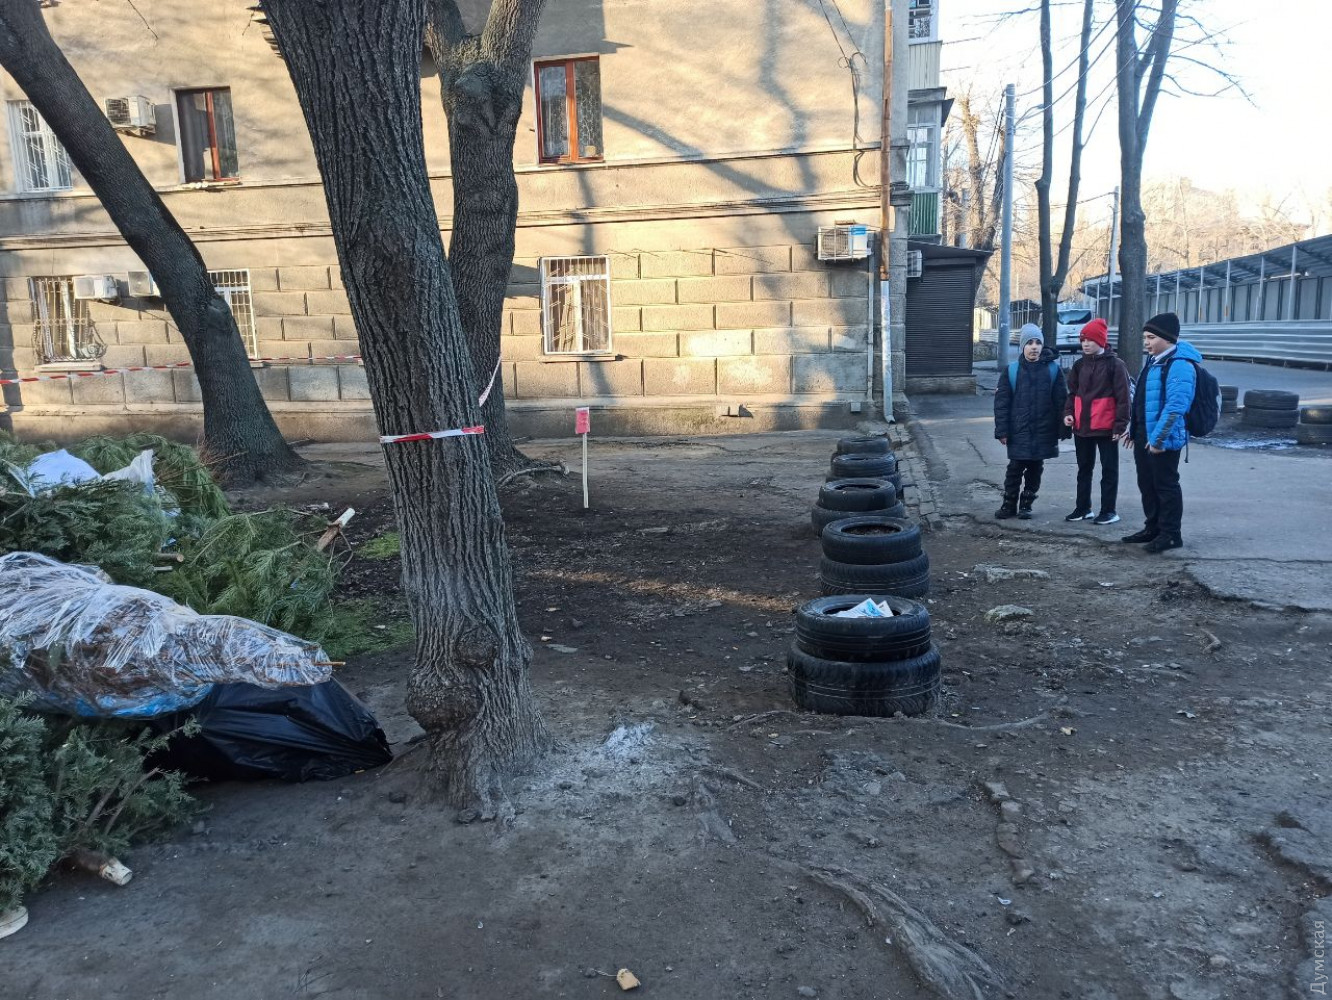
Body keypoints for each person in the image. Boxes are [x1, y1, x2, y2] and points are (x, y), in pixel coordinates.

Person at [1121, 312, 1201, 553]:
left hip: (1163, 439)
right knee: (1147, 483)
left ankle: (1171, 534)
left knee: (1165, 486)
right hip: (1145, 434)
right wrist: (1133, 429)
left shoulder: (1180, 365)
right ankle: (1153, 528)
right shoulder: (1154, 360)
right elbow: (1142, 399)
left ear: (1167, 338)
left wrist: (1158, 439)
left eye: (1151, 337)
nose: (1146, 342)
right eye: (1145, 337)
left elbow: (1176, 407)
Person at [994, 324, 1067, 520]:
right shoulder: (1012, 371)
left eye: (1038, 343)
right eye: (1029, 343)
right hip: (1019, 430)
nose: (1034, 347)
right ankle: (1009, 504)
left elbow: (1062, 402)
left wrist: (1063, 429)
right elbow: (1002, 404)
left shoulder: (1053, 370)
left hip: (1044, 430)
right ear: (1022, 347)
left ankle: (1026, 504)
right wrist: (1002, 430)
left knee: (1035, 468)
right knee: (1015, 468)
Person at [1062, 317, 1131, 525]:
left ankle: (1109, 510)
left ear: (1101, 340)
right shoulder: (1078, 365)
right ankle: (1083, 508)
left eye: (1090, 340)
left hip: (1106, 428)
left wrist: (1120, 425)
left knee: (1109, 470)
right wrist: (1068, 413)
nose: (1085, 344)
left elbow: (1123, 398)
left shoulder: (1116, 365)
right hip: (1081, 427)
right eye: (1083, 340)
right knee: (1084, 469)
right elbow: (1072, 393)